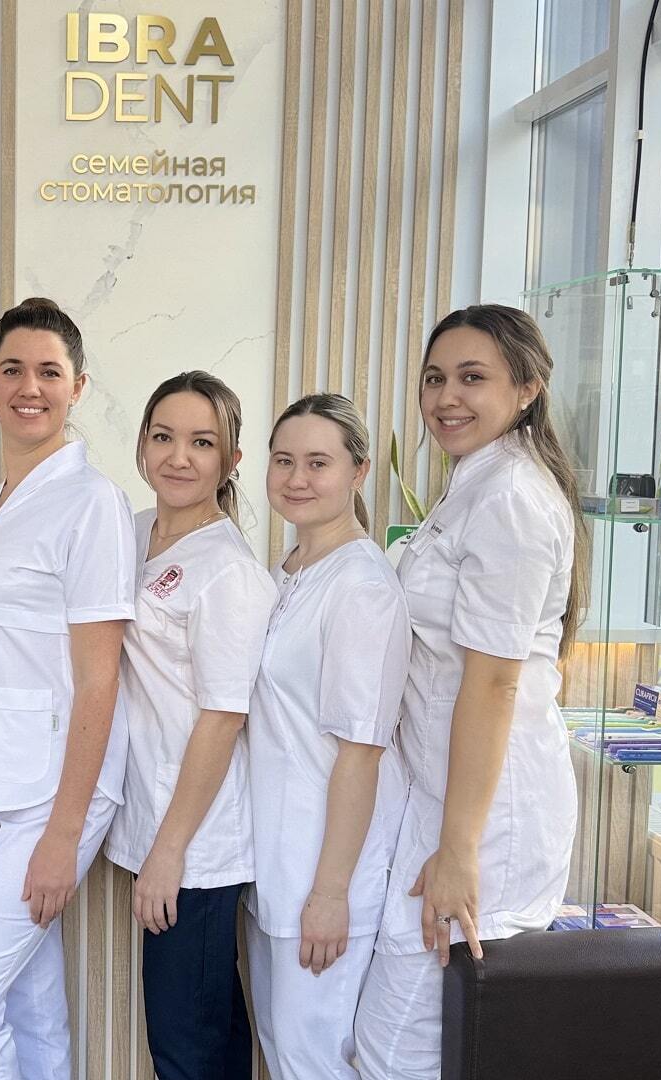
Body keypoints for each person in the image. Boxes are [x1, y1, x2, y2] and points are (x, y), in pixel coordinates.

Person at [351, 305, 587, 1080]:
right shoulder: (475, 483)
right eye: (434, 378)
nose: (446, 397)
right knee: (408, 1045)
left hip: (487, 816)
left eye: (472, 378)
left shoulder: (511, 496)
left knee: (396, 1051)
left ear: (527, 388)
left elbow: (493, 682)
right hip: (446, 796)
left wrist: (457, 850)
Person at [0, 298, 136, 1080]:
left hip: (50, 797)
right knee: (29, 1004)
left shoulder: (92, 504)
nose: (29, 386)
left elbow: (100, 678)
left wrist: (63, 836)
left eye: (49, 371)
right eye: (12, 369)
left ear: (78, 387)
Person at [101, 371, 272, 1079]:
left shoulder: (227, 571)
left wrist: (169, 853)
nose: (179, 457)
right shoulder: (134, 530)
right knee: (207, 1033)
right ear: (142, 445)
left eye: (202, 443)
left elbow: (222, 718)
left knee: (185, 1046)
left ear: (231, 460)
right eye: (164, 437)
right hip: (156, 817)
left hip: (197, 846)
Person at [247, 394, 410, 1079]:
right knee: (286, 1052)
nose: (297, 478)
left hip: (327, 869)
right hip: (277, 863)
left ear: (358, 471)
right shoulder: (287, 569)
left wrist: (331, 892)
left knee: (312, 1060)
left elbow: (362, 752)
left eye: (318, 463)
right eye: (283, 460)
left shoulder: (361, 587)